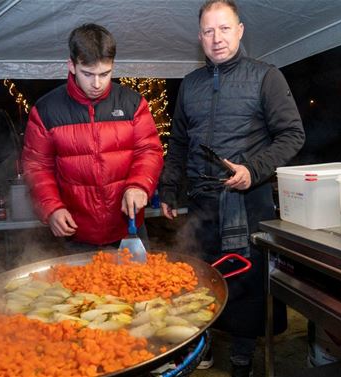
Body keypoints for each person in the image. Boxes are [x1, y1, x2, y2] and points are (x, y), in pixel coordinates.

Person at [158, 1, 305, 376]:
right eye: (208, 31)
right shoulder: (190, 85)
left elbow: (292, 135)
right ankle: (205, 342)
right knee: (205, 275)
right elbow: (177, 143)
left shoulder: (265, 76)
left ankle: (242, 354)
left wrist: (252, 170)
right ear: (199, 37)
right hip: (202, 203)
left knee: (245, 281)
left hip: (247, 199)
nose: (216, 38)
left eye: (224, 29)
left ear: (240, 30)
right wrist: (170, 189)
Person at [22, 23, 164, 249]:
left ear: (113, 66)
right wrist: (52, 208)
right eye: (88, 74)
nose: (97, 84)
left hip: (127, 228)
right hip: (76, 232)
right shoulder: (46, 110)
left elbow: (149, 151)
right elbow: (36, 166)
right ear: (72, 65)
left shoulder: (133, 103)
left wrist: (139, 185)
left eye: (105, 74)